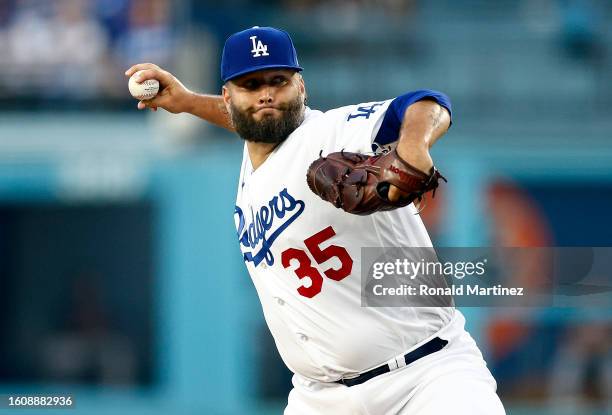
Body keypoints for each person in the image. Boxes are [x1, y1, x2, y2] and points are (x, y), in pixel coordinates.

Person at [126, 26, 505, 414]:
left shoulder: (331, 133)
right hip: (321, 398)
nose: (267, 94)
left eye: (279, 81)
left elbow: (426, 103)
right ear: (229, 96)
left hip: (426, 376)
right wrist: (188, 101)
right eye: (250, 85)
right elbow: (251, 119)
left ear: (302, 88)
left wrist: (412, 145)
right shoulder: (256, 148)